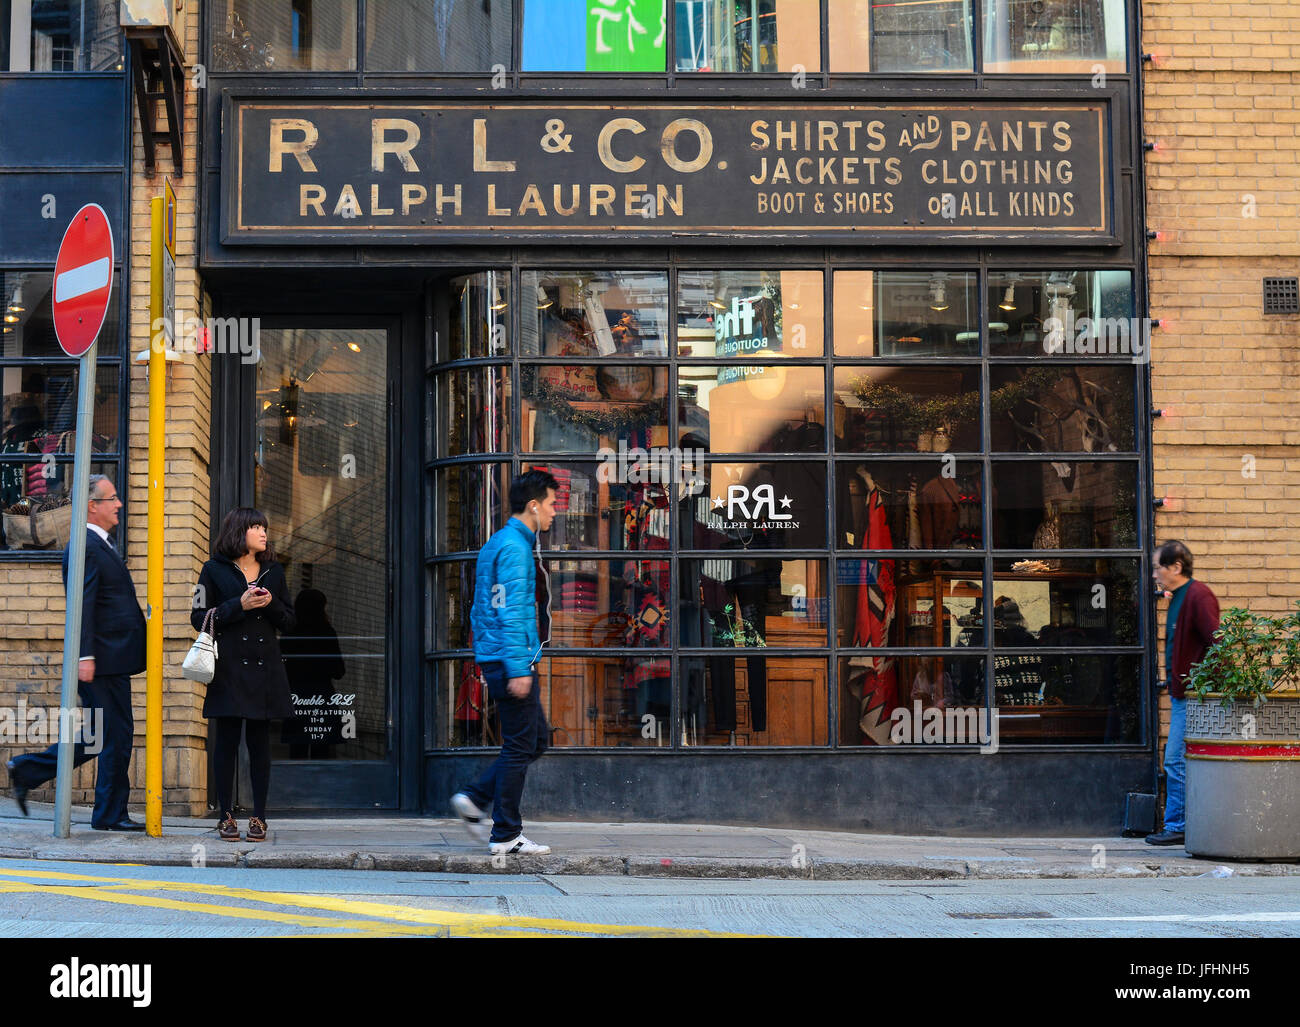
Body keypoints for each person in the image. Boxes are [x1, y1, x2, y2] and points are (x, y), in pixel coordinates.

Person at [5, 474, 145, 830]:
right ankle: (106, 813)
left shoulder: (101, 544)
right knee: (111, 736)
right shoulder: (85, 546)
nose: (119, 504)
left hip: (111, 659)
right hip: (101, 661)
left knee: (106, 736)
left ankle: (32, 773)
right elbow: (80, 604)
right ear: (91, 505)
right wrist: (85, 656)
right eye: (112, 498)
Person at [451, 470, 557, 856]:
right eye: (551, 504)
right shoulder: (514, 548)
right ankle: (505, 832)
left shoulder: (498, 543)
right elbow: (512, 613)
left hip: (498, 657)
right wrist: (516, 667)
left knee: (536, 740)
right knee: (519, 745)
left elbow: (480, 611)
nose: (553, 513)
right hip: (511, 661)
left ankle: (477, 798)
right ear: (533, 505)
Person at [192, 508, 296, 842]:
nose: (264, 533)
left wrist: (268, 604)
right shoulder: (212, 570)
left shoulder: (274, 571)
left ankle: (259, 817)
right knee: (225, 744)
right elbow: (198, 617)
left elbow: (290, 621)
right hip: (229, 669)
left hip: (265, 668)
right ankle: (225, 816)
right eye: (256, 527)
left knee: (259, 745)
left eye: (264, 527)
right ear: (240, 531)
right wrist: (240, 605)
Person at [1147, 540, 1220, 846]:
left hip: (1192, 697)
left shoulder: (1198, 595)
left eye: (1157, 567)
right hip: (1182, 693)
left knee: (1175, 760)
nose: (1154, 574)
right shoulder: (1177, 597)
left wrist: (1202, 686)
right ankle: (1180, 822)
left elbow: (1217, 643)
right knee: (1178, 760)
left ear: (1176, 567)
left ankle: (1178, 824)